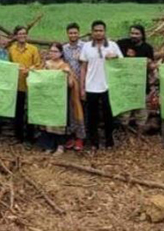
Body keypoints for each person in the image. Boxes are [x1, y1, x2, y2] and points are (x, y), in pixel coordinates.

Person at [80, 20, 122, 151]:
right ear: (92, 32)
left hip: (108, 86)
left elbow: (122, 64)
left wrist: (114, 57)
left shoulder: (113, 46)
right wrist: (82, 88)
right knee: (92, 117)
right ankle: (94, 142)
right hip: (91, 86)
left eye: (101, 30)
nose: (98, 33)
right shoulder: (86, 46)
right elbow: (83, 68)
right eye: (96, 31)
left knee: (108, 116)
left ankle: (109, 141)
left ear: (105, 32)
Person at [117, 24, 156, 131]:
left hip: (141, 85)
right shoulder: (122, 44)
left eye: (137, 33)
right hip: (125, 84)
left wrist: (150, 64)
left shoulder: (147, 48)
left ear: (142, 35)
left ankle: (139, 135)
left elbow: (151, 66)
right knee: (124, 112)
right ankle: (126, 134)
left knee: (141, 112)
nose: (133, 35)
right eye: (132, 33)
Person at [8, 26, 42, 147]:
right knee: (18, 113)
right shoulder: (11, 50)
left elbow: (38, 65)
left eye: (24, 33)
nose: (22, 36)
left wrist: (30, 69)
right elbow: (8, 65)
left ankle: (30, 137)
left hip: (30, 85)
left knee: (30, 113)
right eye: (20, 34)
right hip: (17, 86)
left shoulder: (33, 49)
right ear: (15, 36)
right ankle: (18, 137)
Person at [41, 43, 77, 154]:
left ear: (61, 53)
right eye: (51, 51)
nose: (53, 53)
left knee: (60, 122)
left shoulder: (65, 66)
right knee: (48, 121)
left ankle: (60, 146)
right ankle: (49, 146)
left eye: (56, 51)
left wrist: (68, 75)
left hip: (60, 99)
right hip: (48, 97)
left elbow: (71, 84)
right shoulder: (46, 65)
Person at [61, 23, 86, 152]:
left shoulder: (85, 47)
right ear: (67, 34)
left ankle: (80, 138)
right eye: (70, 33)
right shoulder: (64, 48)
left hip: (82, 83)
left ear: (79, 33)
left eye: (75, 33)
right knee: (70, 111)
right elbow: (62, 64)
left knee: (81, 109)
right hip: (69, 83)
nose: (73, 35)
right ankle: (70, 136)